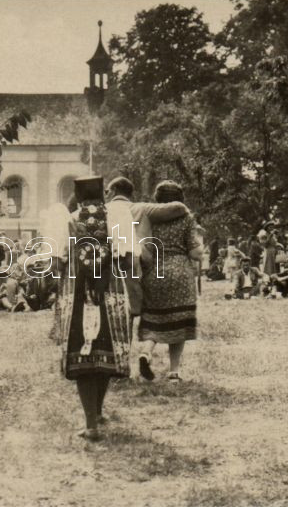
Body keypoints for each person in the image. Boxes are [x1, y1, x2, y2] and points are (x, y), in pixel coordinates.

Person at [54, 176, 131, 441]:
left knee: (83, 353)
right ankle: (97, 412)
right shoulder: (115, 219)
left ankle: (91, 425)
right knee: (104, 349)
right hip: (109, 295)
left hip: (79, 294)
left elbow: (60, 260)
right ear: (102, 194)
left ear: (78, 195)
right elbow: (127, 256)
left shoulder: (71, 220)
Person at [104, 176, 188, 346]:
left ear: (113, 191)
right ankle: (145, 349)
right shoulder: (141, 208)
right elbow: (179, 208)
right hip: (138, 266)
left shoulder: (101, 210)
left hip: (106, 265)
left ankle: (120, 351)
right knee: (138, 308)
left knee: (115, 309)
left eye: (107, 191)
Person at [139, 181, 202, 383]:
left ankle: (146, 352)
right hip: (180, 272)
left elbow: (144, 247)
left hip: (154, 272)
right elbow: (195, 252)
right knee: (179, 321)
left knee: (154, 318)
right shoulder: (187, 218)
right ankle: (174, 371)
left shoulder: (148, 218)